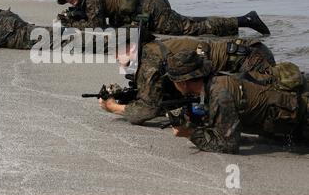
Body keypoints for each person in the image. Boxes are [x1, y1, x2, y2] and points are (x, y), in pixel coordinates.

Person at [98, 37, 276, 125]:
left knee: (268, 105)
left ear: (131, 47)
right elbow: (166, 95)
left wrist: (113, 106)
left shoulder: (149, 62)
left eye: (117, 52)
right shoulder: (150, 49)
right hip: (248, 52)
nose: (115, 58)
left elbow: (147, 110)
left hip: (251, 60)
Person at [165, 50, 309, 154]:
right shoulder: (216, 81)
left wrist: (189, 133)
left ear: (183, 83)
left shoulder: (220, 93)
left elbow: (228, 146)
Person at [55, 0, 271, 36]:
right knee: (188, 22)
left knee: (190, 28)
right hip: (148, 2)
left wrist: (72, 23)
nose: (70, 0)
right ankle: (235, 25)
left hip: (149, 7)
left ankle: (245, 20)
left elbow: (97, 26)